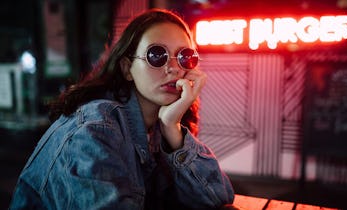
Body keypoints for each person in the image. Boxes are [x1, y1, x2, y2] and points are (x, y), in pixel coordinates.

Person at [9, 8, 234, 210]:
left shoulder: (158, 127)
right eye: (157, 55)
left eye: (185, 57)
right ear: (127, 68)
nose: (174, 68)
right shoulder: (95, 129)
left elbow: (217, 197)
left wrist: (172, 129)